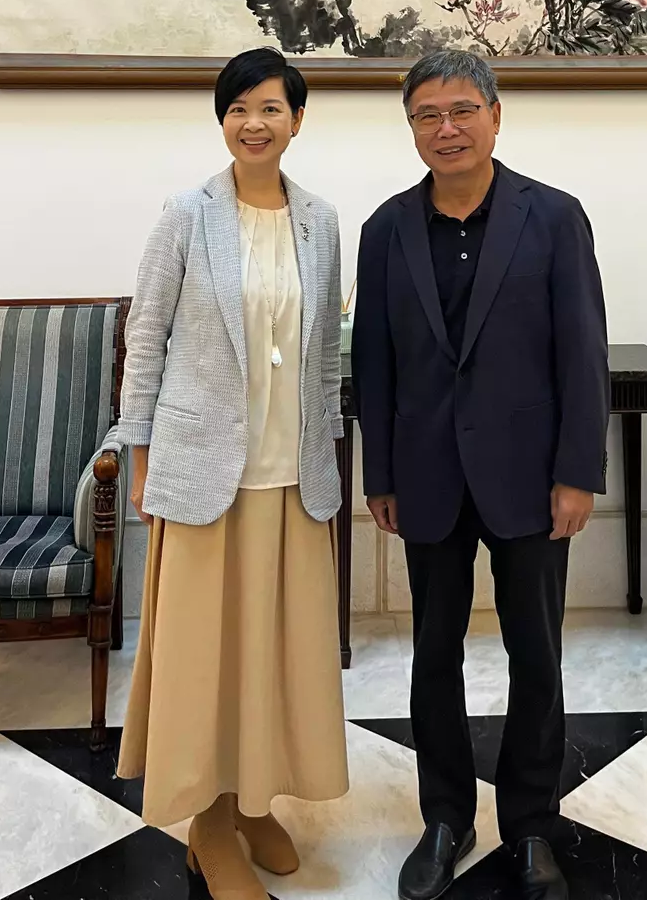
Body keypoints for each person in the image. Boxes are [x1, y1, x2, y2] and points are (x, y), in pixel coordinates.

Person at [352, 49, 609, 900]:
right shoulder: (386, 229)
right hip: (426, 474)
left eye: (462, 109)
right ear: (411, 128)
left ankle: (531, 824)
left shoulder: (555, 216)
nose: (446, 128)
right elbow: (375, 362)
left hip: (530, 477)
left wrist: (577, 472)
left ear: (496, 116)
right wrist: (380, 473)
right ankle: (446, 817)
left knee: (537, 653)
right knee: (434, 653)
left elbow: (582, 352)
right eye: (427, 114)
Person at [116, 47, 349, 900]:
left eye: (271, 107)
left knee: (275, 653)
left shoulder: (322, 220)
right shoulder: (187, 214)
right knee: (204, 659)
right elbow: (146, 339)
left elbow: (325, 355)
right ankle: (208, 822)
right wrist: (140, 458)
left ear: (297, 119)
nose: (254, 122)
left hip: (293, 477)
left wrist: (329, 449)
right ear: (223, 120)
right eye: (238, 108)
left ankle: (254, 801)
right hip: (202, 473)